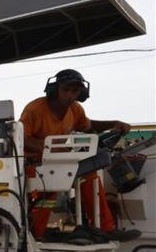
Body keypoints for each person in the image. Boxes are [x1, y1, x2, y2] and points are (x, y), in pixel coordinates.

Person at [20, 69, 137, 241]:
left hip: (59, 162)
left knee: (89, 176)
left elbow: (88, 127)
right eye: (66, 90)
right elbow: (21, 139)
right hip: (33, 164)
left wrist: (113, 123)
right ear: (55, 90)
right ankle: (36, 234)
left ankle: (106, 228)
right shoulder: (35, 109)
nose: (70, 95)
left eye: (75, 91)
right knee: (48, 192)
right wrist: (48, 149)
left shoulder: (75, 109)